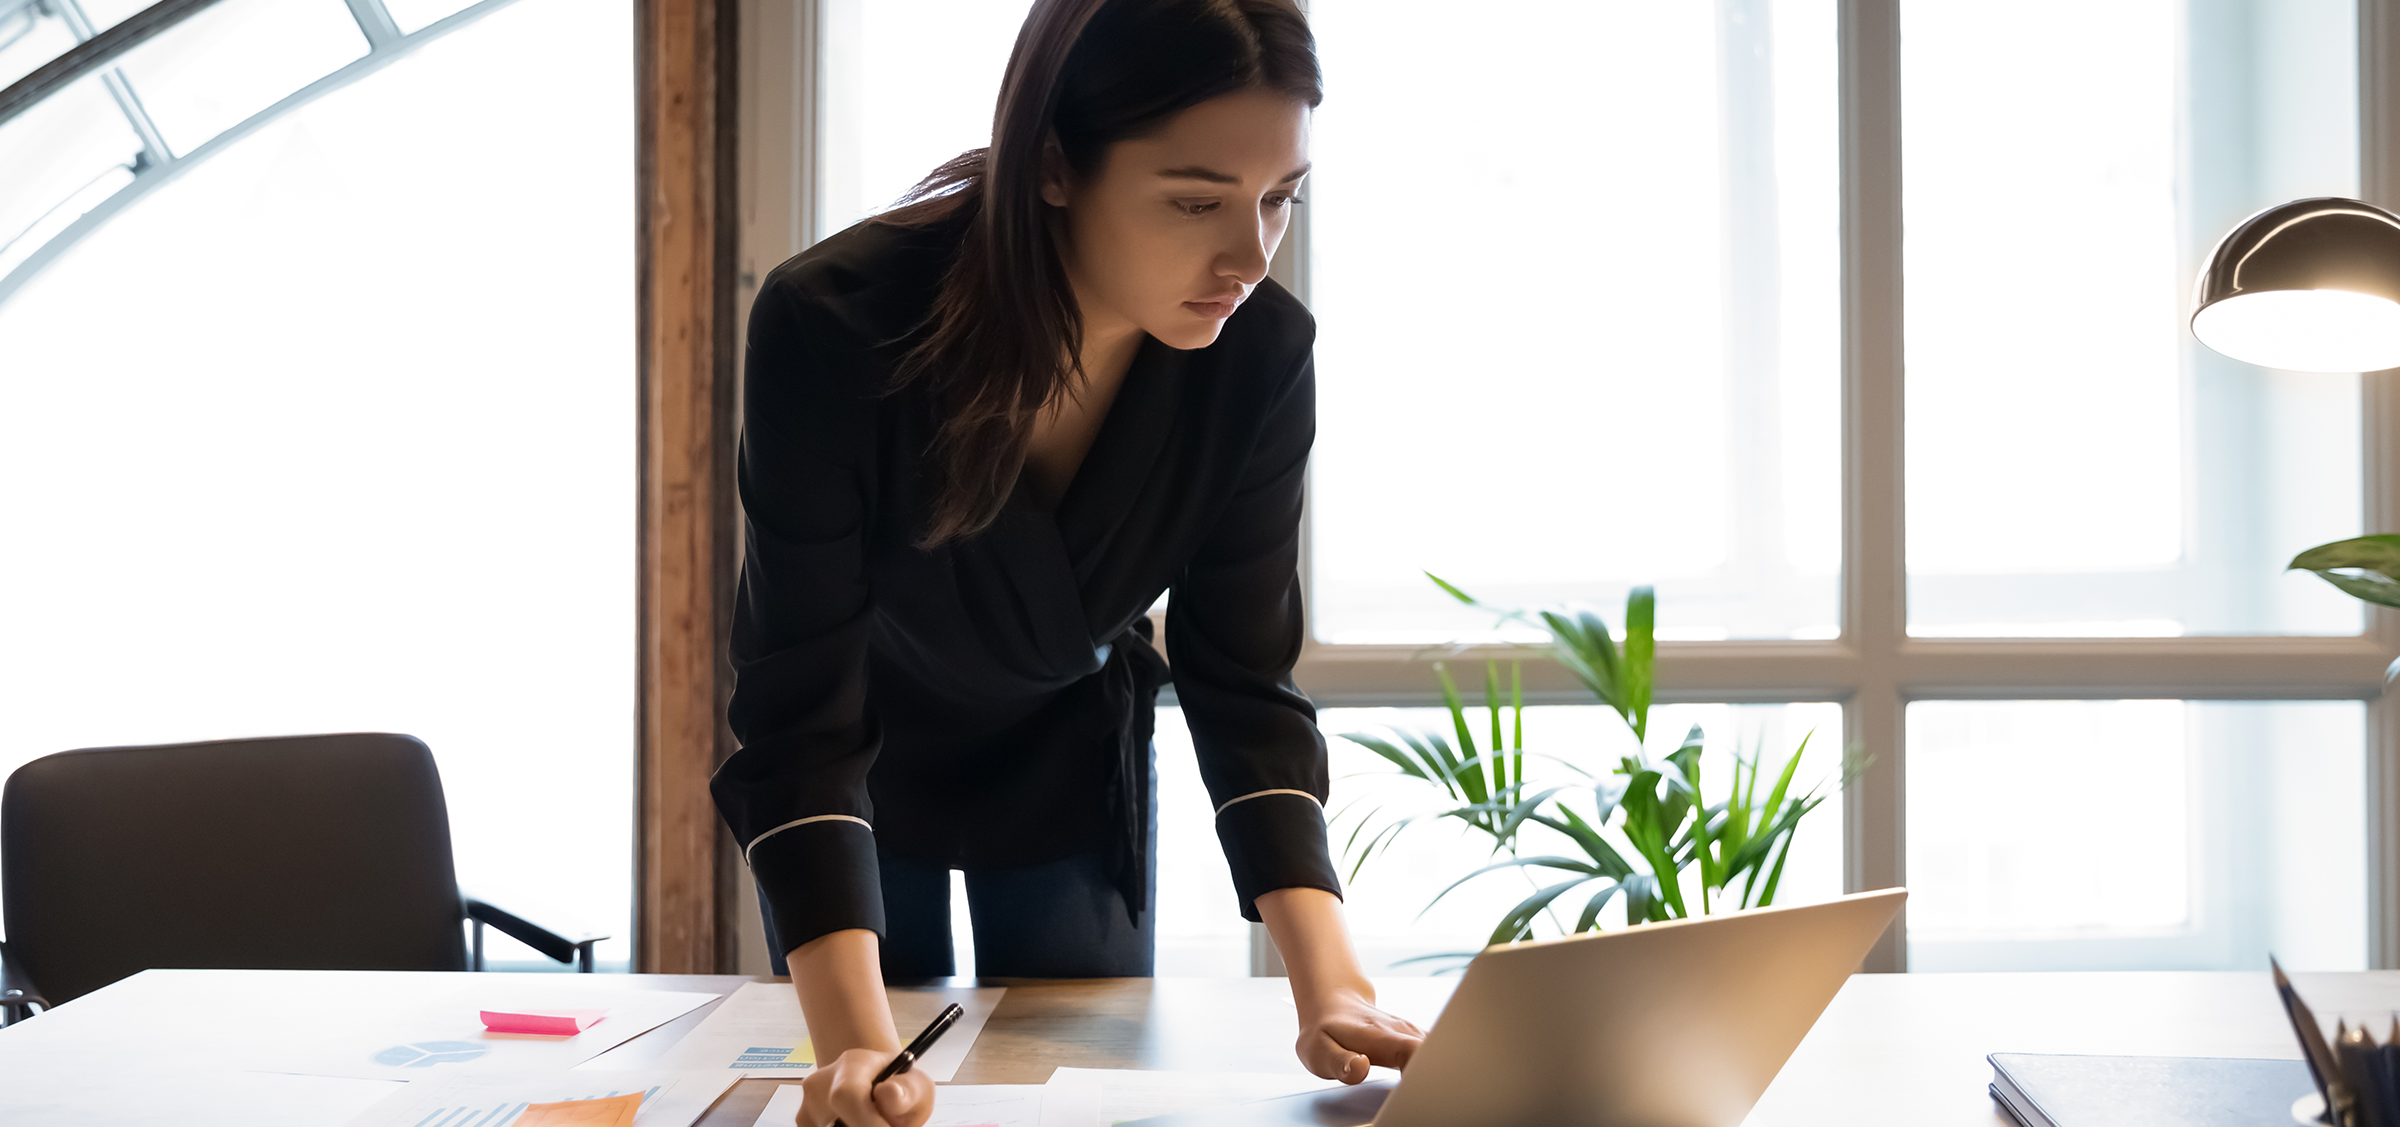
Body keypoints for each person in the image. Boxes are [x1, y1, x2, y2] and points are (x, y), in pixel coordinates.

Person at [711, 2, 1423, 1124]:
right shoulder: (830, 324)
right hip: (856, 749)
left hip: (1064, 742)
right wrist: (857, 1052)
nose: (1248, 255)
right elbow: (799, 710)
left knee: (1083, 1092)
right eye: (1195, 201)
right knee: (872, 1083)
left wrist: (1333, 984)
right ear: (1052, 165)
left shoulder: (1263, 358)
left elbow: (1242, 681)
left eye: (1280, 199)